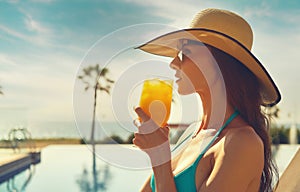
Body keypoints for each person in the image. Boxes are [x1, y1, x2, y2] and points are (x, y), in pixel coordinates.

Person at [132, 8, 280, 192]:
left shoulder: (243, 143)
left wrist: (160, 158)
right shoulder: (191, 134)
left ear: (217, 62)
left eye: (185, 52)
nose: (174, 63)